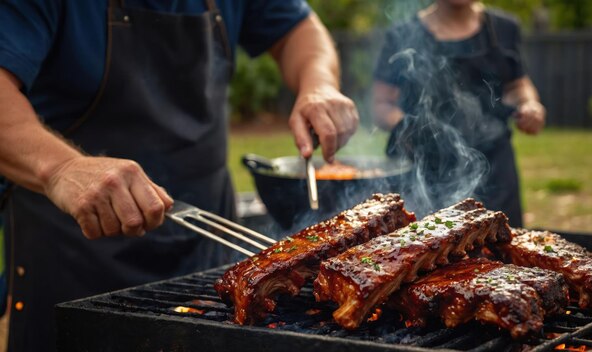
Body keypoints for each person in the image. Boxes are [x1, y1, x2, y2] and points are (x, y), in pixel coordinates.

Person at [0, 1, 359, 350]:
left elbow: (301, 30)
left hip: (210, 252)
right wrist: (62, 169)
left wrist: (319, 83)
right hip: (75, 263)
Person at [373, 0, 545, 226]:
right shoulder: (402, 34)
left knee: (504, 251)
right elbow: (381, 103)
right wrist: (410, 127)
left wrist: (530, 104)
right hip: (428, 171)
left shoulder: (504, 28)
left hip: (496, 170)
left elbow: (517, 85)